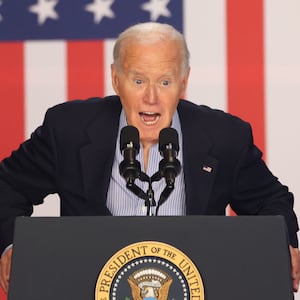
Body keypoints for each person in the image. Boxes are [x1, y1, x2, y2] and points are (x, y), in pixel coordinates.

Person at [0, 22, 299, 293]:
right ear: (116, 80)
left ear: (184, 81)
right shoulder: (68, 129)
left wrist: (281, 245)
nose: (151, 98)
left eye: (165, 82)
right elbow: (8, 186)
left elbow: (270, 203)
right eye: (139, 81)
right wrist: (14, 245)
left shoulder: (224, 136)